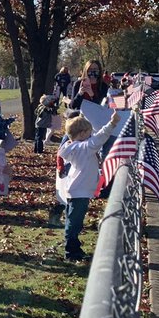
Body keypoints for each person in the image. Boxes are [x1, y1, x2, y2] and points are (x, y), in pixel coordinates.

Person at [57, 112, 120, 261]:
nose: (91, 135)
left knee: (73, 220)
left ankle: (73, 246)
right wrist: (111, 124)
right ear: (82, 133)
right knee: (74, 223)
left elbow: (93, 140)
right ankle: (71, 251)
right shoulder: (84, 148)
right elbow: (99, 139)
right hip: (80, 190)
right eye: (89, 132)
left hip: (76, 188)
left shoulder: (72, 147)